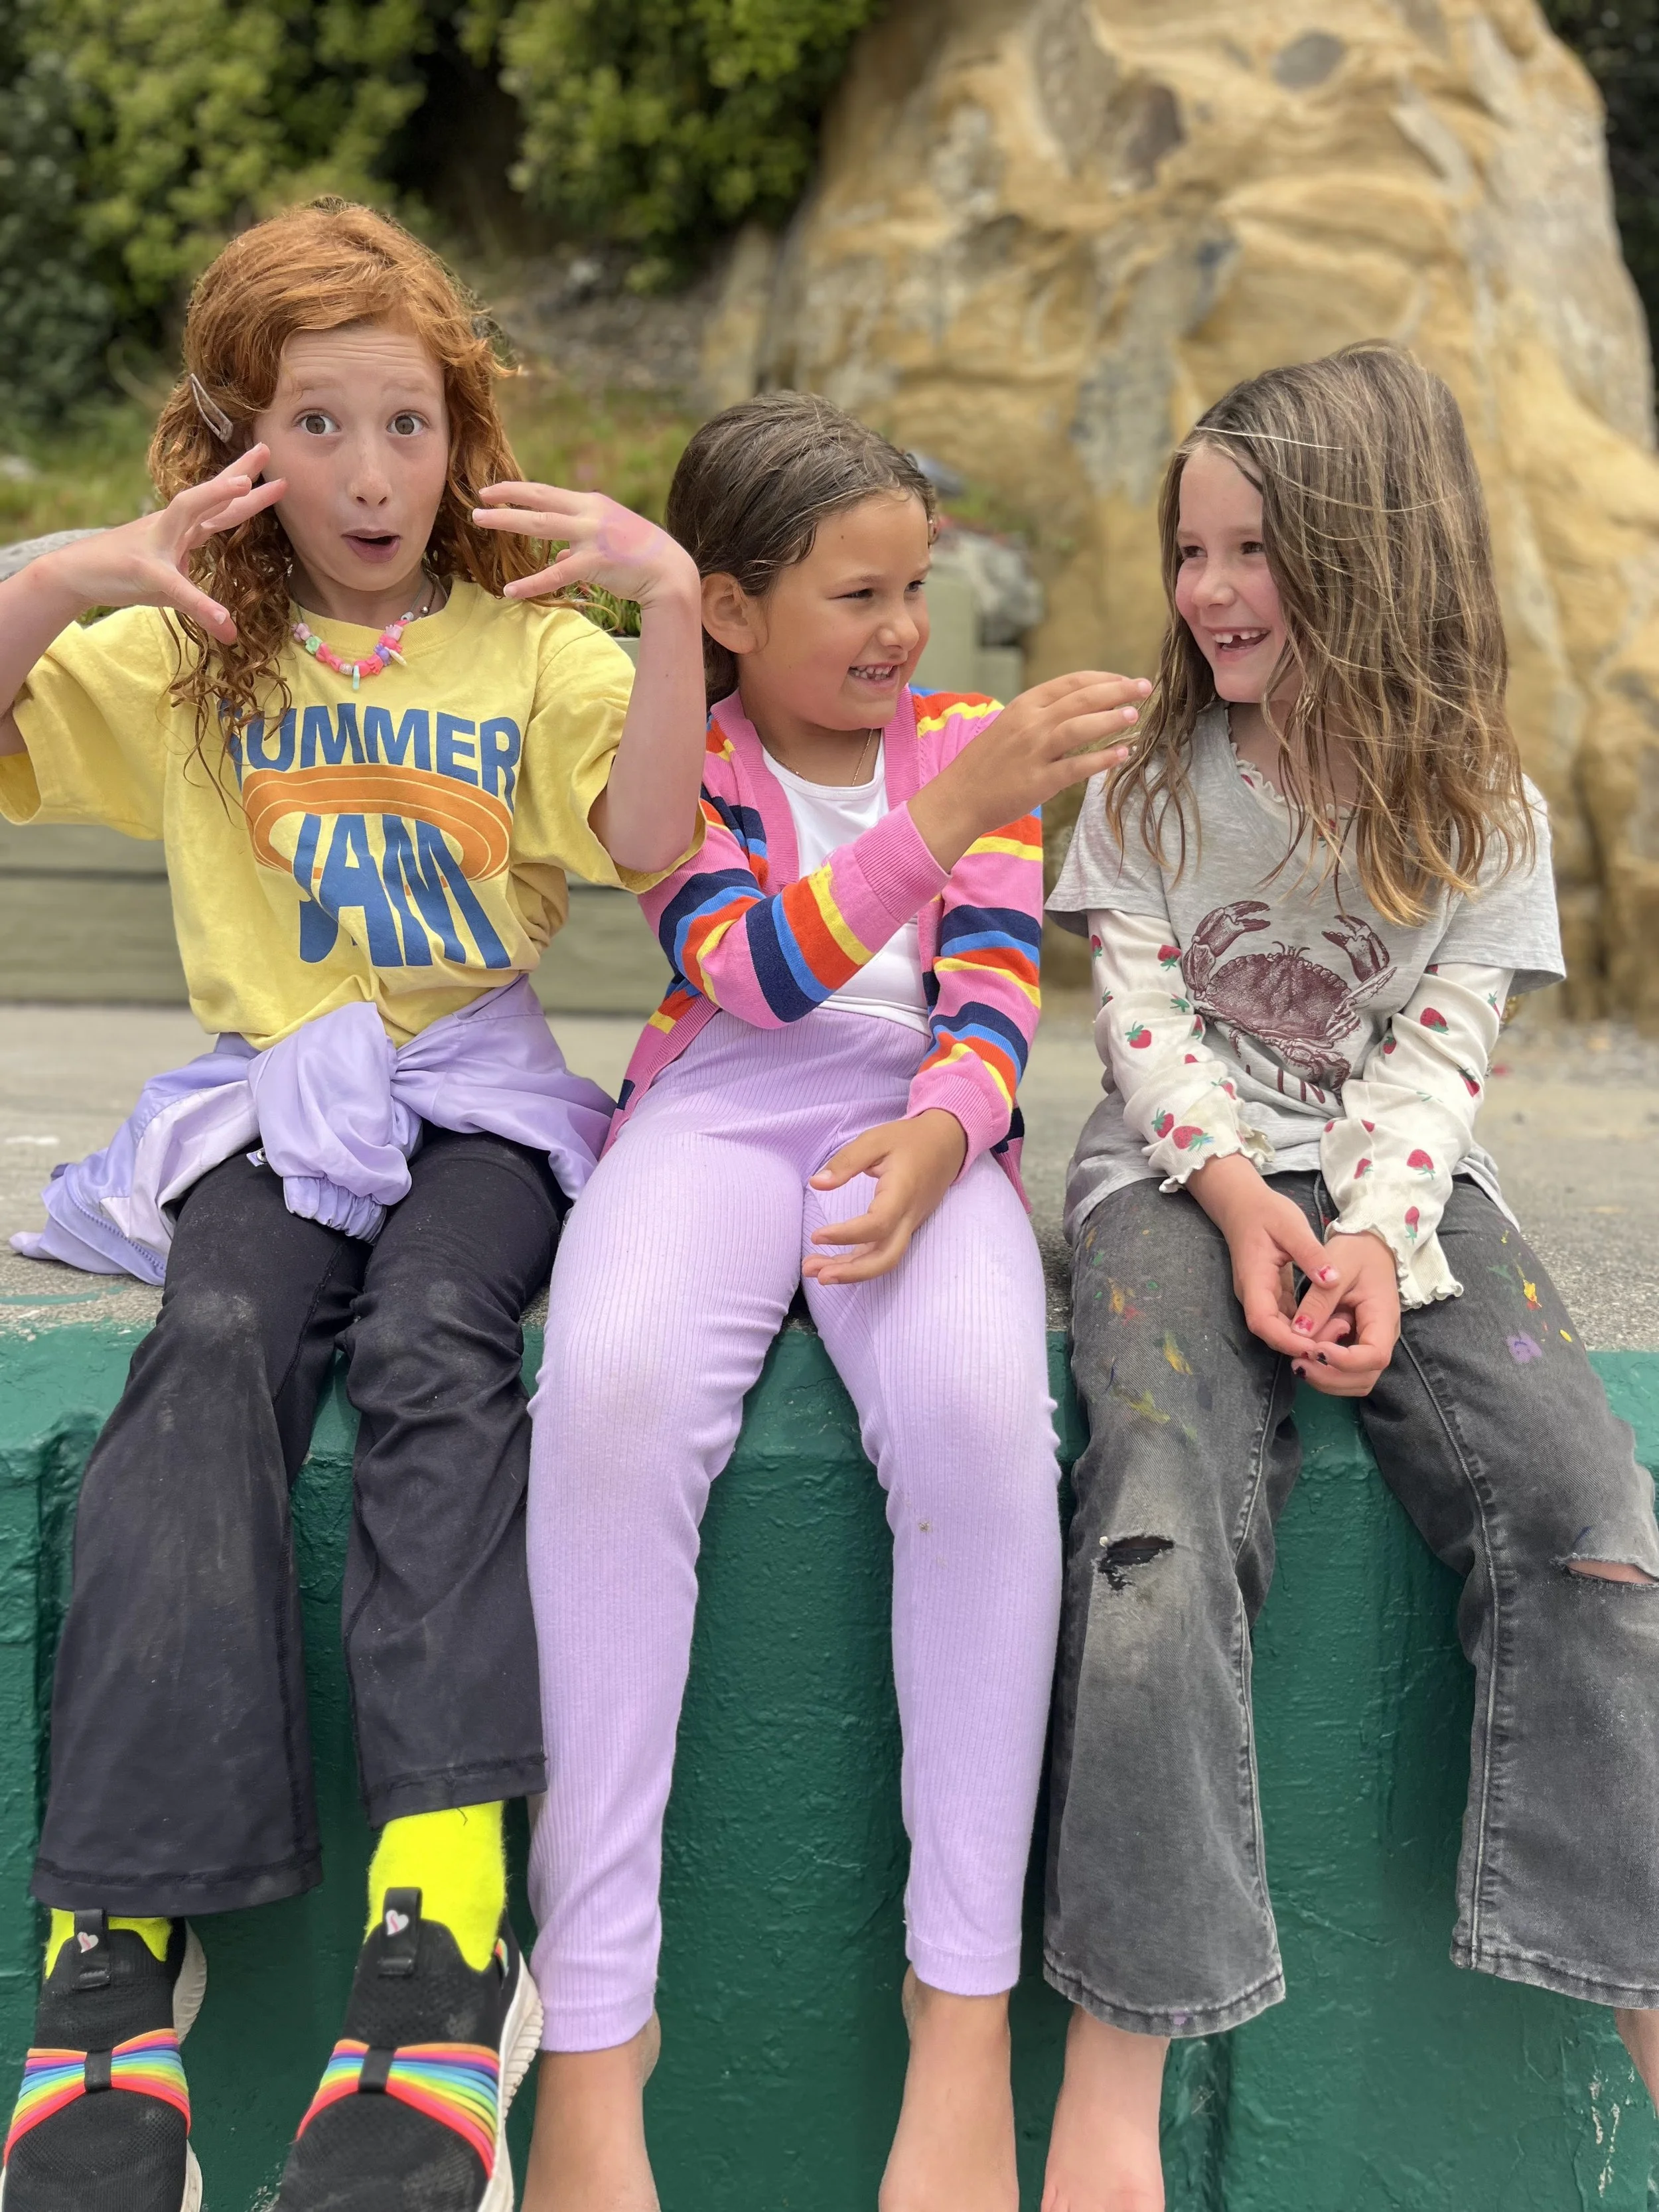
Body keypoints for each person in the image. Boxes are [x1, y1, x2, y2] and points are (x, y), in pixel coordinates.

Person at [0, 200, 707, 2212]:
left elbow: (652, 835)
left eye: (409, 423)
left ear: (462, 439)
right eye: (320, 425)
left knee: (430, 1347)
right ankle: (115, 1953)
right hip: (278, 1100)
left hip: (477, 1099)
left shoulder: (528, 645)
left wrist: (663, 603)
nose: (372, 474)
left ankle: (443, 1905)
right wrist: (62, 579)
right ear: (242, 442)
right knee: (208, 1341)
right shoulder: (185, 646)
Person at [1040, 341, 1659, 2212]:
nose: (1209, 591)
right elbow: (1141, 1034)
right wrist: (1241, 1206)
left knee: (1589, 1509)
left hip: (1401, 1186)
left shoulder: (1483, 806)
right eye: (1191, 552)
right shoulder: (1154, 788)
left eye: (1252, 552)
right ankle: (1111, 2080)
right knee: (1159, 1515)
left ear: (1370, 555)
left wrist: (1379, 1242)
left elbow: (1439, 1058)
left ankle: (1638, 1986)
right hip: (1174, 1167)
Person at [514, 390, 1147, 2212]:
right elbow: (757, 970)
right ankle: (595, 2034)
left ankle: (958, 2013)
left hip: (917, 1136)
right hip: (721, 1101)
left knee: (975, 1418)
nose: (897, 632)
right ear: (726, 607)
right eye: (851, 596)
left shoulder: (957, 735)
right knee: (611, 1392)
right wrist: (941, 809)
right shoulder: (693, 761)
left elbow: (999, 987)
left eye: (912, 589)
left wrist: (950, 1136)